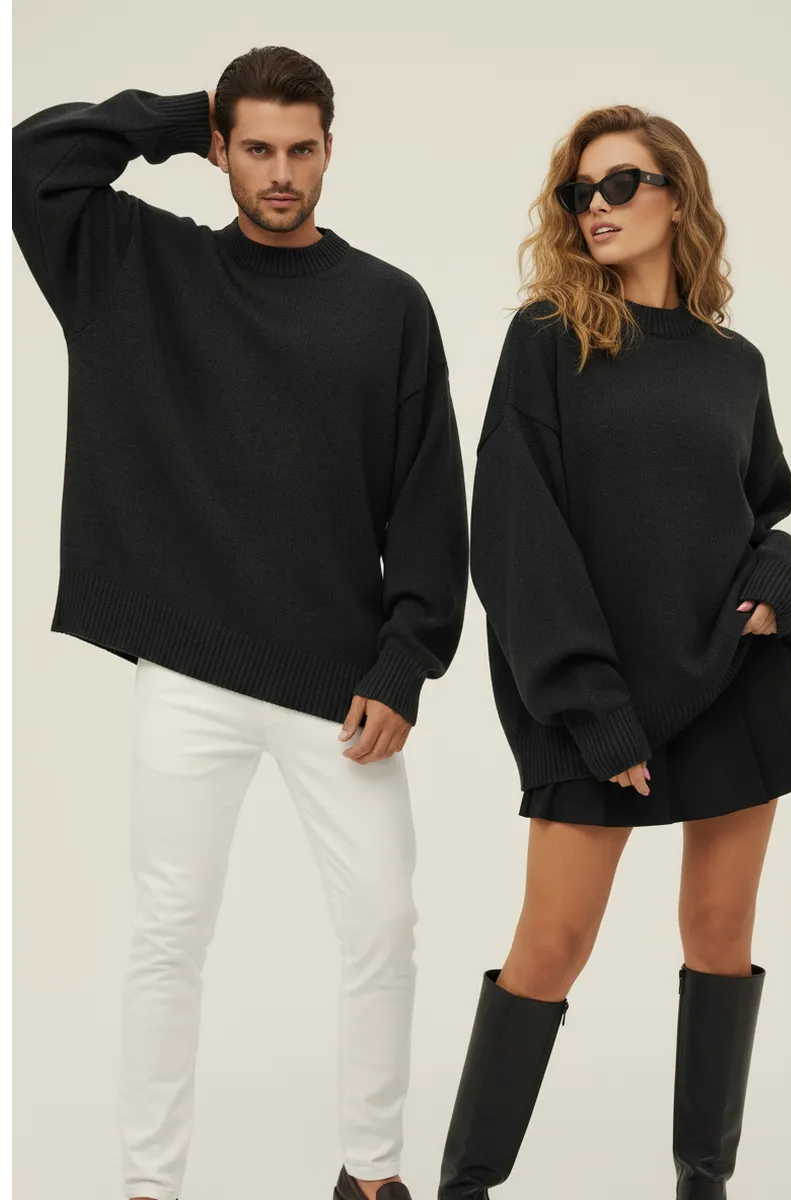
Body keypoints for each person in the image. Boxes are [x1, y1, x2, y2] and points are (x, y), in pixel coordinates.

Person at [9, 44, 468, 1200]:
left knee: (384, 927)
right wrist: (180, 114)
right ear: (222, 149)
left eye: (300, 149)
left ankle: (372, 1176)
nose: (280, 173)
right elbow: (31, 163)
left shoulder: (387, 305)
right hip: (189, 672)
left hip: (341, 683)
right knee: (168, 936)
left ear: (330, 149)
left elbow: (428, 501)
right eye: (255, 147)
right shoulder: (137, 266)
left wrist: (405, 663)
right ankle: (149, 1188)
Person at [437, 104, 791, 1199]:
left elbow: (764, 514)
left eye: (622, 184)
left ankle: (704, 1184)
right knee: (552, 945)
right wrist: (595, 711)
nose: (598, 206)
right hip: (597, 700)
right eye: (581, 192)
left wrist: (782, 583)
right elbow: (514, 537)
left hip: (734, 680)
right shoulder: (547, 341)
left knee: (720, 931)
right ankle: (465, 1188)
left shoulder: (734, 363)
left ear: (677, 196)